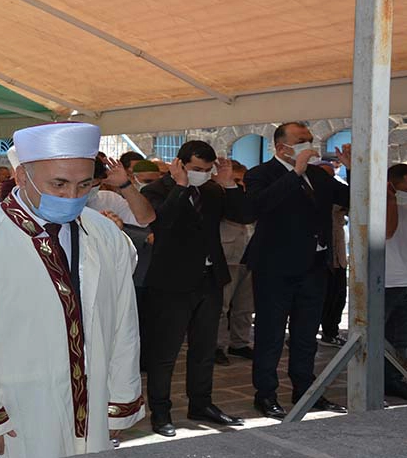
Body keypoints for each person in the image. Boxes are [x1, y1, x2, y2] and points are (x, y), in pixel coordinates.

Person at [0, 122, 145, 457]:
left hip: (91, 403)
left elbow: (124, 322)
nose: (72, 196)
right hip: (10, 412)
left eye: (84, 184)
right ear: (22, 176)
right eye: (59, 184)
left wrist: (120, 400)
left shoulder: (106, 234)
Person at [141, 140, 247, 437]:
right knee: (165, 352)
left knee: (204, 349)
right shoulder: (156, 189)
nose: (201, 174)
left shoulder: (213, 190)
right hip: (171, 283)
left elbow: (243, 216)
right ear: (180, 164)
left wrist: (229, 186)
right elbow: (163, 224)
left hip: (209, 279)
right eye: (195, 169)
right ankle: (160, 411)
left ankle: (201, 404)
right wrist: (181, 186)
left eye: (206, 169)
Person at [245, 122, 350, 419]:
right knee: (270, 334)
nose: (309, 144)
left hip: (314, 267)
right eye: (301, 140)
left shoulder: (319, 175)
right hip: (274, 268)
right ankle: (265, 394)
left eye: (309, 139)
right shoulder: (260, 174)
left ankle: (306, 389)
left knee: (306, 335)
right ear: (282, 148)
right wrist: (295, 173)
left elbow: (351, 199)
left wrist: (353, 168)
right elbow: (258, 206)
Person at [215, 161, 255, 366]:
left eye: (241, 180)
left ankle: (239, 342)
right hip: (227, 254)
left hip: (249, 256)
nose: (239, 184)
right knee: (222, 304)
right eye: (235, 180)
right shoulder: (219, 196)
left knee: (245, 305)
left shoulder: (248, 196)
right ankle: (217, 345)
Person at [317, 161, 348, 348]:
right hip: (319, 256)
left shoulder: (339, 192)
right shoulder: (310, 194)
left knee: (338, 296)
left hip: (338, 254)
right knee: (318, 297)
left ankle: (331, 332)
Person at [384, 163, 407, 400]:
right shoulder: (388, 204)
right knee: (381, 334)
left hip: (404, 278)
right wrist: (390, 200)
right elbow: (388, 231)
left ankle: (394, 379)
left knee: (401, 336)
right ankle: (378, 379)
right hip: (389, 278)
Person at [86, 158, 156, 227]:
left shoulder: (109, 198)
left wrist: (125, 184)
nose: (84, 191)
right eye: (83, 185)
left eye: (94, 184)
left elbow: (146, 218)